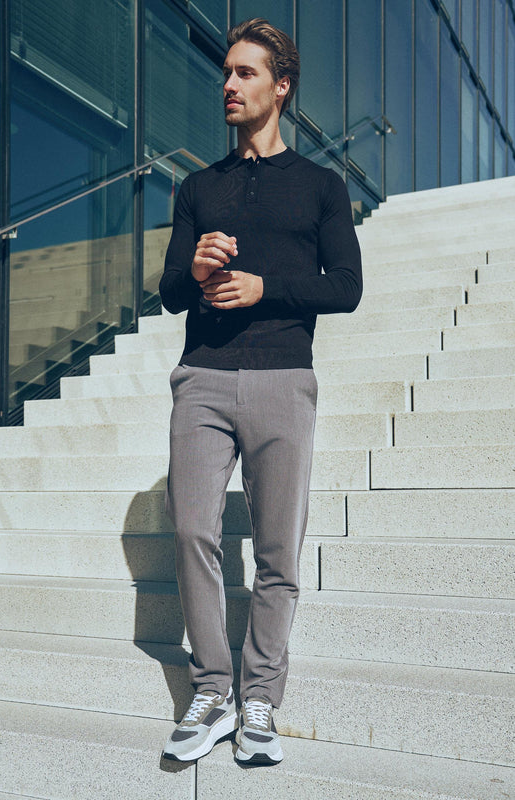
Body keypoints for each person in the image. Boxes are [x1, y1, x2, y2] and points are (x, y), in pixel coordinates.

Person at [159, 17, 362, 765]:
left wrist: (264, 287)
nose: (228, 84)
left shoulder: (322, 187)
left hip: (283, 377)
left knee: (277, 550)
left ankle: (260, 700)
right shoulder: (197, 187)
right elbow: (170, 294)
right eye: (225, 72)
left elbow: (346, 287)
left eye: (244, 73)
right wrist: (197, 270)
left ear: (281, 87)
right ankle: (212, 689)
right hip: (203, 378)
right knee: (192, 531)